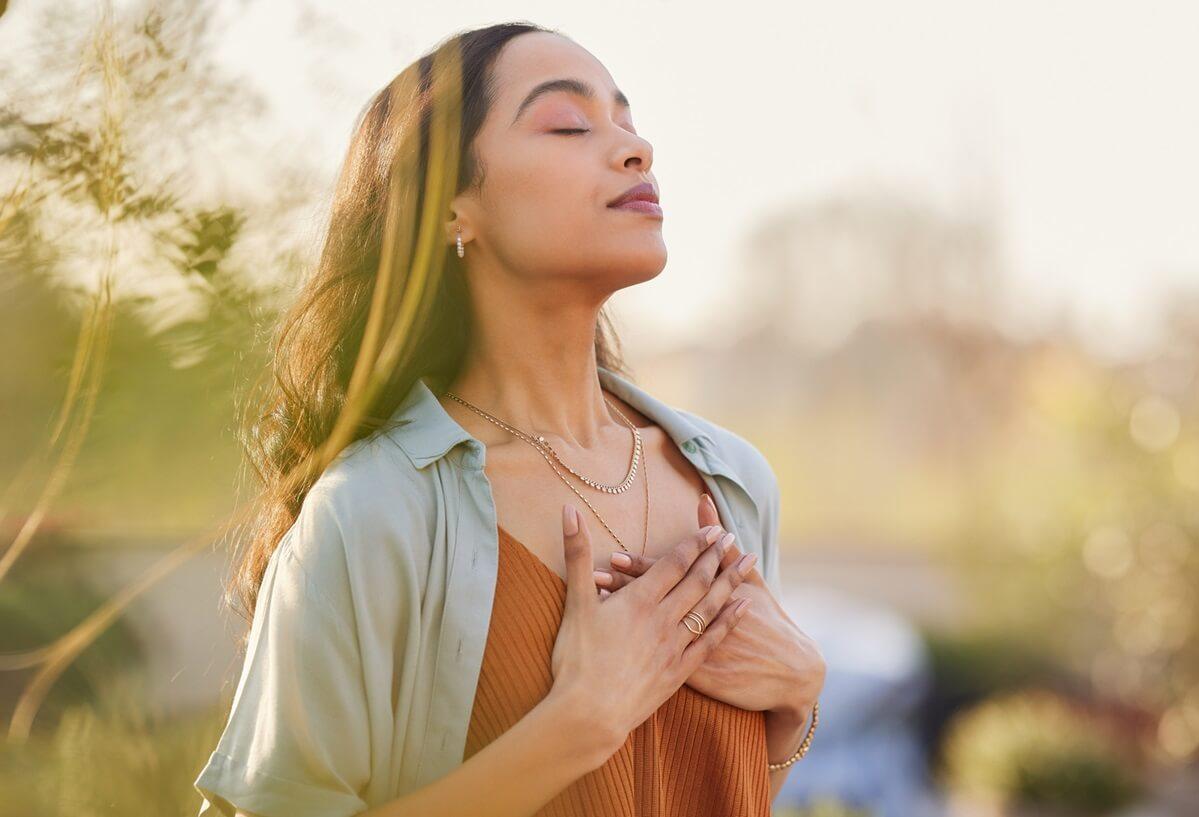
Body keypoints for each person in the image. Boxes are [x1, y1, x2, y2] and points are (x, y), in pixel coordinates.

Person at [193, 21, 826, 817]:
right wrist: (574, 725)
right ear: (455, 208)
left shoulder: (734, 482)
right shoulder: (373, 512)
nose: (637, 150)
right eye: (569, 124)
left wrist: (796, 703)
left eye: (628, 123)